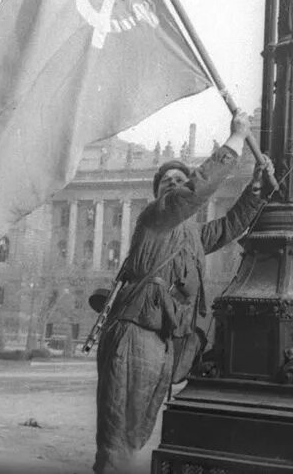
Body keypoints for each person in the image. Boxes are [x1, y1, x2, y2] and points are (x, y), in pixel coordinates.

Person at [93, 110, 271, 473]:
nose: (175, 184)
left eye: (180, 178)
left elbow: (226, 228)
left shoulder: (189, 234)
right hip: (135, 331)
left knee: (136, 434)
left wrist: (256, 189)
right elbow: (193, 192)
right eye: (167, 182)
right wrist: (236, 140)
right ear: (159, 195)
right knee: (119, 437)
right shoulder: (156, 219)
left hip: (161, 339)